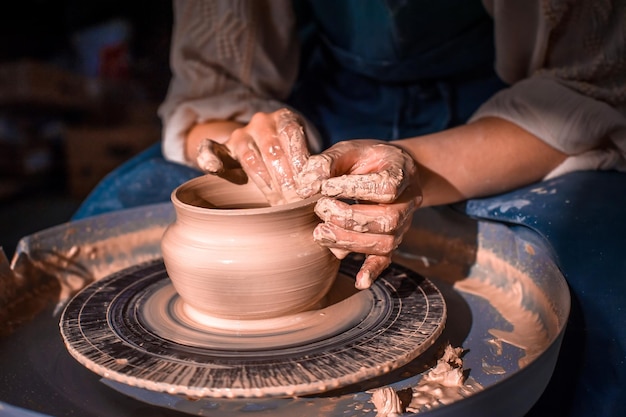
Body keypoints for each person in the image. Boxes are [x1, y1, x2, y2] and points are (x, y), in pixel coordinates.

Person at [73, 1, 626, 415]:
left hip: (504, 120)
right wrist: (245, 139)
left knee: (603, 298)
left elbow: (590, 91)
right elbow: (218, 88)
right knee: (102, 224)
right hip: (317, 113)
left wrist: (414, 169)